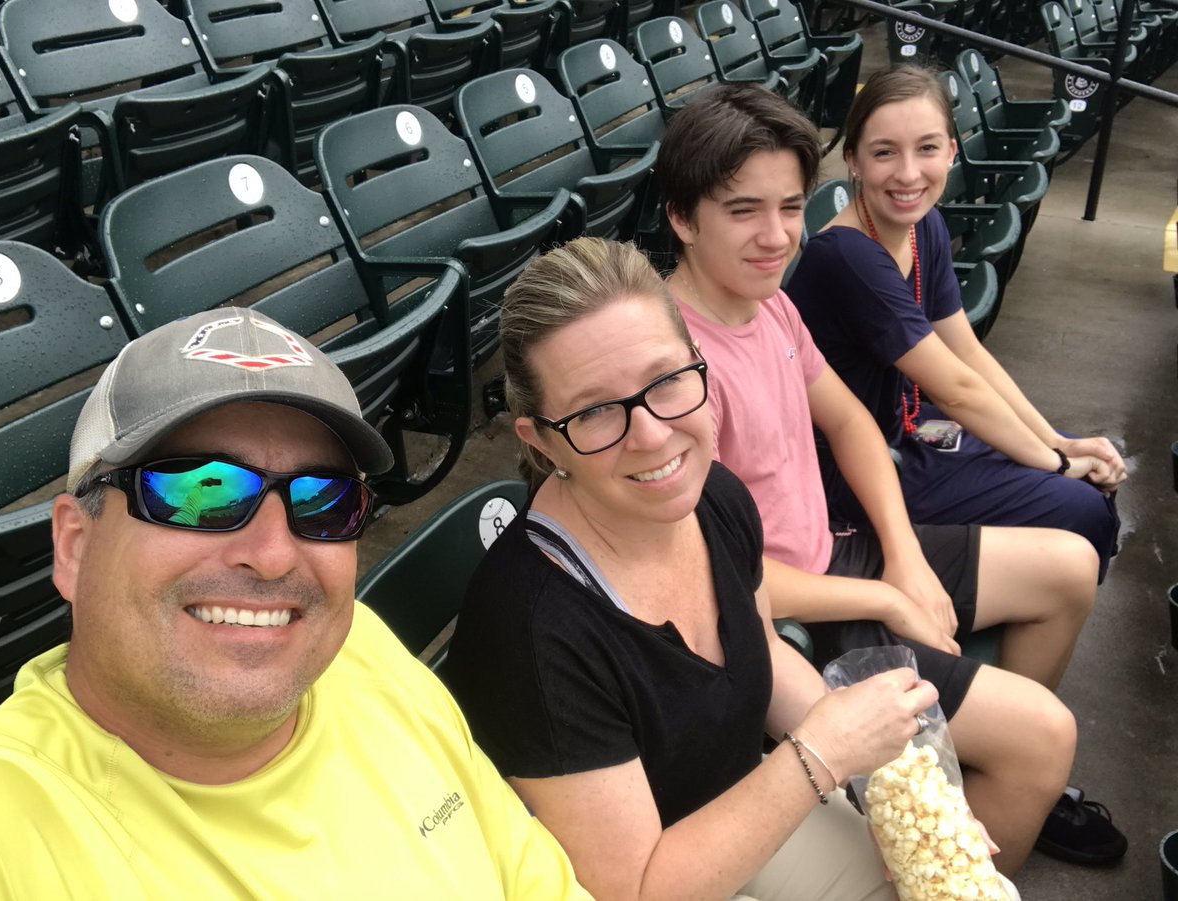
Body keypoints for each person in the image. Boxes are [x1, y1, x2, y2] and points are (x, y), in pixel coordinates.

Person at [443, 237, 1021, 901]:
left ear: (699, 365)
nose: (654, 434)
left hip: (746, 806)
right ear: (542, 441)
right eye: (595, 410)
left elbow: (765, 654)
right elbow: (633, 886)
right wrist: (820, 756)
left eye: (666, 381)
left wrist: (900, 790)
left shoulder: (715, 494)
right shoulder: (530, 631)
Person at [655, 82, 1126, 869]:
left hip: (845, 548)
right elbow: (723, 581)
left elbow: (848, 423)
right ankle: (955, 851)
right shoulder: (672, 373)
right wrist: (885, 594)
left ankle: (976, 784)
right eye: (743, 211)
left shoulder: (766, 302)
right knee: (1048, 734)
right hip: (795, 619)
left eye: (790, 207)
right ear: (681, 217)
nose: (775, 237)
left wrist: (902, 554)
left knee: (1070, 567)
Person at [0, 308, 592, 899]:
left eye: (323, 501)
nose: (273, 555)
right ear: (75, 546)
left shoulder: (361, 646)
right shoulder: (2, 816)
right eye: (201, 490)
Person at [786, 65, 1124, 584]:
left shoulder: (925, 224)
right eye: (884, 152)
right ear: (852, 159)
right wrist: (1057, 463)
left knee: (1089, 476)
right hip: (851, 472)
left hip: (910, 429)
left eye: (926, 148)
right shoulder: (847, 256)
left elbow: (967, 353)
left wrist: (1059, 441)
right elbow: (960, 390)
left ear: (951, 149)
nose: (908, 174)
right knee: (1078, 502)